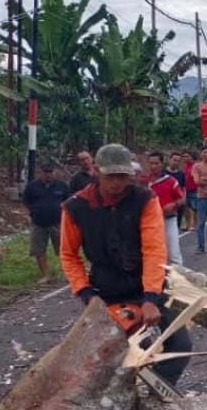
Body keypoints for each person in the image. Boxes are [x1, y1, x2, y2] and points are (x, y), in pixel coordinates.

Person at [60, 143, 193, 386]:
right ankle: (120, 395)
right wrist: (86, 294)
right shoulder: (75, 207)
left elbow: (154, 249)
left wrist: (151, 297)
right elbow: (69, 255)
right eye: (111, 176)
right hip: (106, 290)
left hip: (147, 282)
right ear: (97, 172)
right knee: (117, 352)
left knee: (181, 345)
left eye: (123, 176)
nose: (117, 183)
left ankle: (157, 391)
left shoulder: (144, 199)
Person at [22, 159, 70, 282]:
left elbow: (69, 200)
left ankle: (68, 272)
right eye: (45, 172)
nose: (48, 174)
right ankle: (46, 275)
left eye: (50, 172)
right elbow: (26, 202)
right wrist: (33, 212)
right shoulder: (32, 186)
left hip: (57, 223)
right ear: (40, 172)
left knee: (63, 249)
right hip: (38, 223)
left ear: (54, 172)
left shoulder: (62, 185)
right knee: (39, 250)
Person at [147, 151, 186, 266]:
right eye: (151, 163)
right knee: (156, 254)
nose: (153, 166)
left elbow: (182, 199)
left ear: (162, 164)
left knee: (174, 253)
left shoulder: (170, 181)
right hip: (151, 223)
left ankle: (179, 280)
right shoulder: (144, 182)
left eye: (156, 163)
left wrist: (173, 205)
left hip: (169, 220)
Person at [168, 152, 187, 230]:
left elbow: (183, 188)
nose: (175, 162)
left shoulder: (181, 174)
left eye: (178, 161)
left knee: (176, 227)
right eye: (174, 160)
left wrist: (183, 199)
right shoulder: (163, 173)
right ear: (169, 160)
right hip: (166, 204)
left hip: (178, 204)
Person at [182, 150, 198, 232]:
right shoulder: (185, 167)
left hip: (194, 190)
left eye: (187, 156)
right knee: (186, 207)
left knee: (195, 208)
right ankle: (188, 224)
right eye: (184, 156)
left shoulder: (195, 166)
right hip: (186, 190)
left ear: (191, 157)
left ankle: (195, 224)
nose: (185, 158)